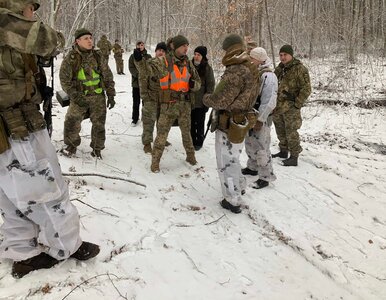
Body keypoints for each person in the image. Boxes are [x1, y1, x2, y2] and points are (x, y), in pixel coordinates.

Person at [0, 0, 99, 279]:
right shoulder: (6, 21)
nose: (34, 14)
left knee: (9, 193)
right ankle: (66, 245)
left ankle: (22, 251)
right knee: (46, 188)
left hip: (9, 127)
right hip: (17, 125)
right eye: (31, 8)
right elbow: (50, 41)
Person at [203, 34, 259, 214]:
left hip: (229, 122)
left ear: (230, 49)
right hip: (241, 120)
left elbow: (221, 101)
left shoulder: (236, 70)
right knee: (235, 157)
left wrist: (206, 98)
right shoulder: (250, 67)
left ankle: (232, 199)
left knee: (226, 161)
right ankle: (239, 185)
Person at [135, 35, 201, 173]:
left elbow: (198, 83)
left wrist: (193, 84)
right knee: (162, 135)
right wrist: (139, 60)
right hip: (168, 105)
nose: (186, 48)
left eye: (187, 45)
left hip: (185, 105)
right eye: (183, 45)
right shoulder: (164, 61)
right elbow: (146, 70)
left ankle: (191, 157)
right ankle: (155, 163)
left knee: (186, 133)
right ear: (175, 47)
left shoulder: (188, 63)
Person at [60, 28, 116, 159]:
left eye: (91, 38)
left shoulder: (98, 56)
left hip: (98, 97)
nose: (90, 41)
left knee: (99, 125)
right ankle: (71, 146)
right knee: (71, 122)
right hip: (79, 97)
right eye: (86, 38)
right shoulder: (71, 58)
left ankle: (97, 149)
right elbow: (64, 80)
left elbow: (107, 75)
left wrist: (111, 94)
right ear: (77, 41)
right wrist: (74, 96)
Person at [243, 47, 277, 189]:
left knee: (262, 148)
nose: (250, 60)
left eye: (252, 58)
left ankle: (265, 176)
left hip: (261, 118)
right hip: (251, 116)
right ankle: (252, 167)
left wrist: (260, 119)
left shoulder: (269, 77)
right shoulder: (255, 73)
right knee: (250, 143)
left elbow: (269, 101)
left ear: (259, 59)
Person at [272, 45, 311, 166]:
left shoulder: (300, 69)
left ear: (291, 55)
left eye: (285, 55)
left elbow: (307, 88)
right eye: (281, 55)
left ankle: (294, 156)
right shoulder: (280, 69)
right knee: (280, 129)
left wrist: (297, 103)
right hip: (278, 106)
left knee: (291, 132)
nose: (283, 57)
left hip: (290, 107)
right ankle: (283, 151)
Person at [136, 42, 167, 153]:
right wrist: (145, 95)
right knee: (148, 121)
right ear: (155, 51)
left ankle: (161, 139)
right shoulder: (149, 63)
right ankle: (147, 143)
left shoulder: (169, 65)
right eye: (159, 50)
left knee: (162, 122)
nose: (161, 52)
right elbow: (142, 74)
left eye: (163, 51)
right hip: (151, 97)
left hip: (164, 98)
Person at [190, 46, 215, 151]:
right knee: (190, 122)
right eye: (195, 54)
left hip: (201, 102)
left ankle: (199, 142)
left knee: (199, 123)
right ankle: (191, 141)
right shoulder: (189, 66)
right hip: (189, 100)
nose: (196, 56)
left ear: (203, 56)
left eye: (198, 55)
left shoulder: (207, 68)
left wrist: (207, 102)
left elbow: (210, 86)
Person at [128, 40, 151, 126]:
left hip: (146, 84)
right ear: (136, 46)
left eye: (142, 45)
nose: (140, 46)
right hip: (136, 84)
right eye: (138, 45)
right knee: (136, 102)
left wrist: (146, 76)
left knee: (146, 102)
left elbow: (150, 67)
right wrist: (139, 75)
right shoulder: (132, 56)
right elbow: (131, 68)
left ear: (144, 46)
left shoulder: (148, 56)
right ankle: (135, 119)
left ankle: (145, 118)